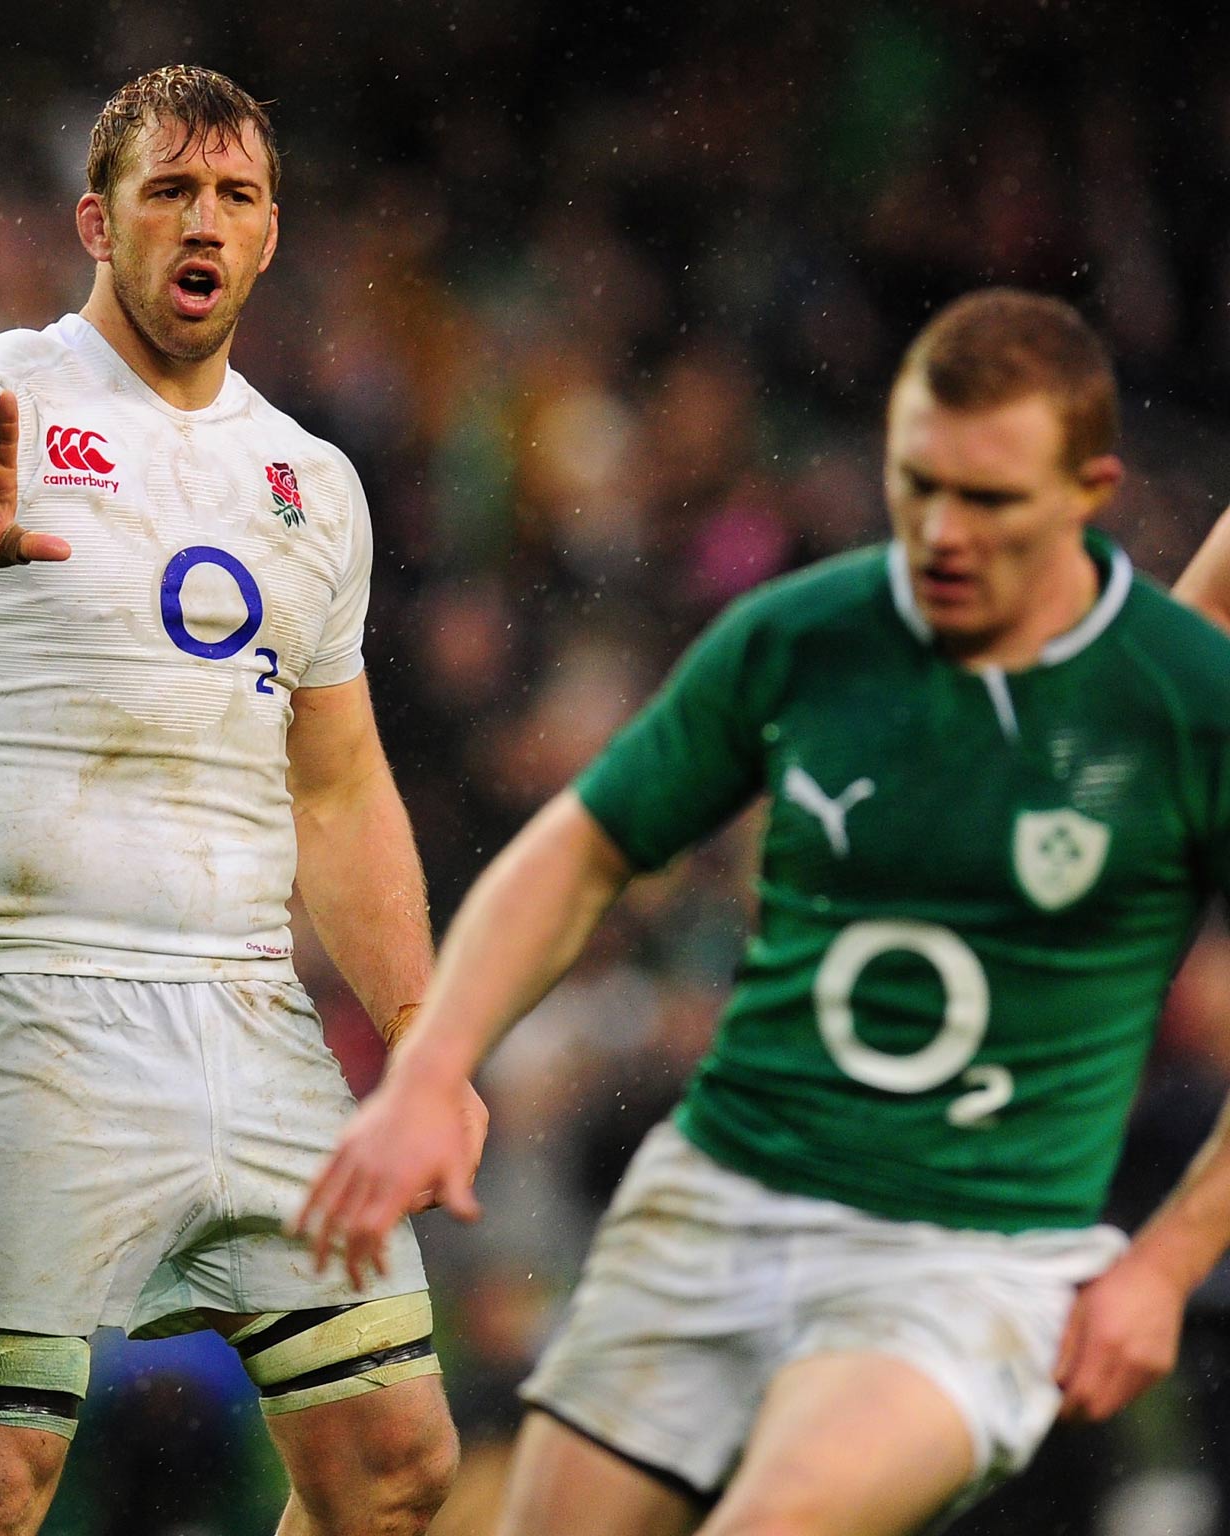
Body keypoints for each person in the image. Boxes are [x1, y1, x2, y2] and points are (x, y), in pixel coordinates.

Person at [299, 288, 1230, 1536]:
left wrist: (1164, 1265)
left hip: (968, 1255)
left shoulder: (1184, 701)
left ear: (1088, 489)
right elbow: (579, 850)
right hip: (718, 1195)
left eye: (991, 501)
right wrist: (430, 1066)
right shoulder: (807, 633)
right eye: (917, 486)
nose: (942, 534)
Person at [0, 63, 481, 1536]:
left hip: (251, 1020)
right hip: (36, 1006)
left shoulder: (312, 482)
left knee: (401, 1472)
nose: (201, 221)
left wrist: (424, 1052)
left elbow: (343, 791)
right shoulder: (5, 397)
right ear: (97, 221)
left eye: (233, 195)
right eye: (169, 189)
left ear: (273, 234)